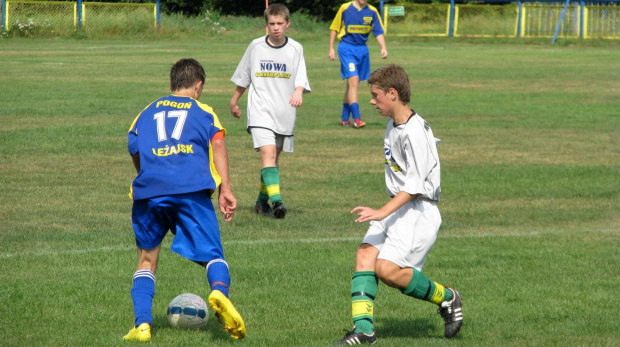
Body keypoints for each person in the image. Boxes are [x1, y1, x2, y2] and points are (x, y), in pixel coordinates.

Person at [335, 64, 463, 345]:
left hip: (419, 210)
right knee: (364, 257)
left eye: (375, 95)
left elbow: (416, 186)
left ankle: (448, 298)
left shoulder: (414, 132)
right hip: (399, 205)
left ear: (392, 93)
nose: (371, 101)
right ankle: (364, 330)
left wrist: (380, 212)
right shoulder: (395, 124)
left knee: (388, 270)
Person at [123, 58, 246, 342]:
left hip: (148, 192)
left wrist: (146, 174)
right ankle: (219, 292)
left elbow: (133, 145)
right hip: (190, 191)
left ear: (171, 84)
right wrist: (226, 189)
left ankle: (142, 325)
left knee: (146, 259)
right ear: (198, 86)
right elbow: (217, 144)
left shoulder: (146, 111)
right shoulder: (203, 111)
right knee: (213, 255)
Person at [230, 3, 311, 219]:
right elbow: (244, 76)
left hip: (285, 111)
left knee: (273, 160)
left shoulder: (296, 48)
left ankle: (261, 201)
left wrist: (299, 91)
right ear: (266, 25)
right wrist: (234, 101)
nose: (276, 28)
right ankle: (277, 202)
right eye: (272, 24)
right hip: (260, 109)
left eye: (280, 24)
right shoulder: (256, 47)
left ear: (287, 24)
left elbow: (301, 77)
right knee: (268, 153)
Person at [328, 0, 388, 128]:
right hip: (346, 48)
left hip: (362, 50)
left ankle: (344, 118)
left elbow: (378, 31)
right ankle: (357, 119)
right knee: (354, 80)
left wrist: (383, 47)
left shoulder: (372, 11)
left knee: (352, 84)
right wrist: (331, 48)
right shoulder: (345, 8)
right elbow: (334, 28)